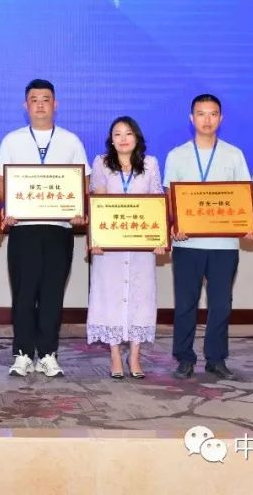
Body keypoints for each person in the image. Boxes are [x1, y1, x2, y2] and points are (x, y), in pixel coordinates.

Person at [0, 79, 89, 378]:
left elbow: (83, 182)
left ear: (55, 104)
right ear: (25, 105)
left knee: (52, 294)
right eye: (34, 99)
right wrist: (7, 209)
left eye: (46, 99)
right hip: (23, 230)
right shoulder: (11, 141)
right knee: (24, 294)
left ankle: (48, 353)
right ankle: (23, 354)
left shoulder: (71, 141)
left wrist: (79, 211)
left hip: (58, 229)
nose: (40, 104)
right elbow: (1, 183)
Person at [164, 94, 253, 380]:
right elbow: (170, 198)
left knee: (221, 304)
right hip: (187, 243)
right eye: (201, 114)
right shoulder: (177, 155)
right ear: (191, 118)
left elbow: (244, 196)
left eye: (213, 114)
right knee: (185, 303)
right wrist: (174, 224)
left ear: (221, 118)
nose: (207, 119)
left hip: (224, 245)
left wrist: (247, 223)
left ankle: (216, 358)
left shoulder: (234, 154)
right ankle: (184, 358)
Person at [87, 116, 163, 379]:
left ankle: (135, 355)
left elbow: (157, 202)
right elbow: (97, 202)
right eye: (117, 134)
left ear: (137, 137)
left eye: (128, 133)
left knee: (141, 296)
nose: (123, 138)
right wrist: (95, 239)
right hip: (110, 247)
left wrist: (159, 239)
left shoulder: (150, 164)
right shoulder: (101, 163)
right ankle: (115, 355)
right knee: (109, 296)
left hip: (141, 247)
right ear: (111, 140)